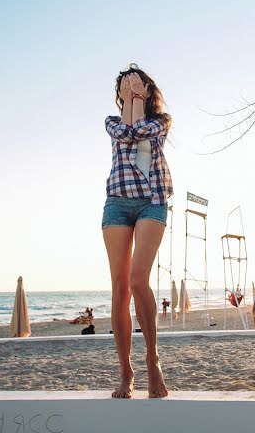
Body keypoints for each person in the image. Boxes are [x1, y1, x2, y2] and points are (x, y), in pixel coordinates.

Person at [102, 65, 173, 399]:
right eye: (123, 86)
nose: (128, 88)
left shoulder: (162, 120)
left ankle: (152, 358)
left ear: (148, 88)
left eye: (134, 83)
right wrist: (130, 98)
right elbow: (127, 133)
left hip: (152, 202)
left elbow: (141, 130)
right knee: (119, 289)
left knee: (137, 280)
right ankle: (126, 370)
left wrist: (136, 99)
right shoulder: (112, 122)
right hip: (117, 203)